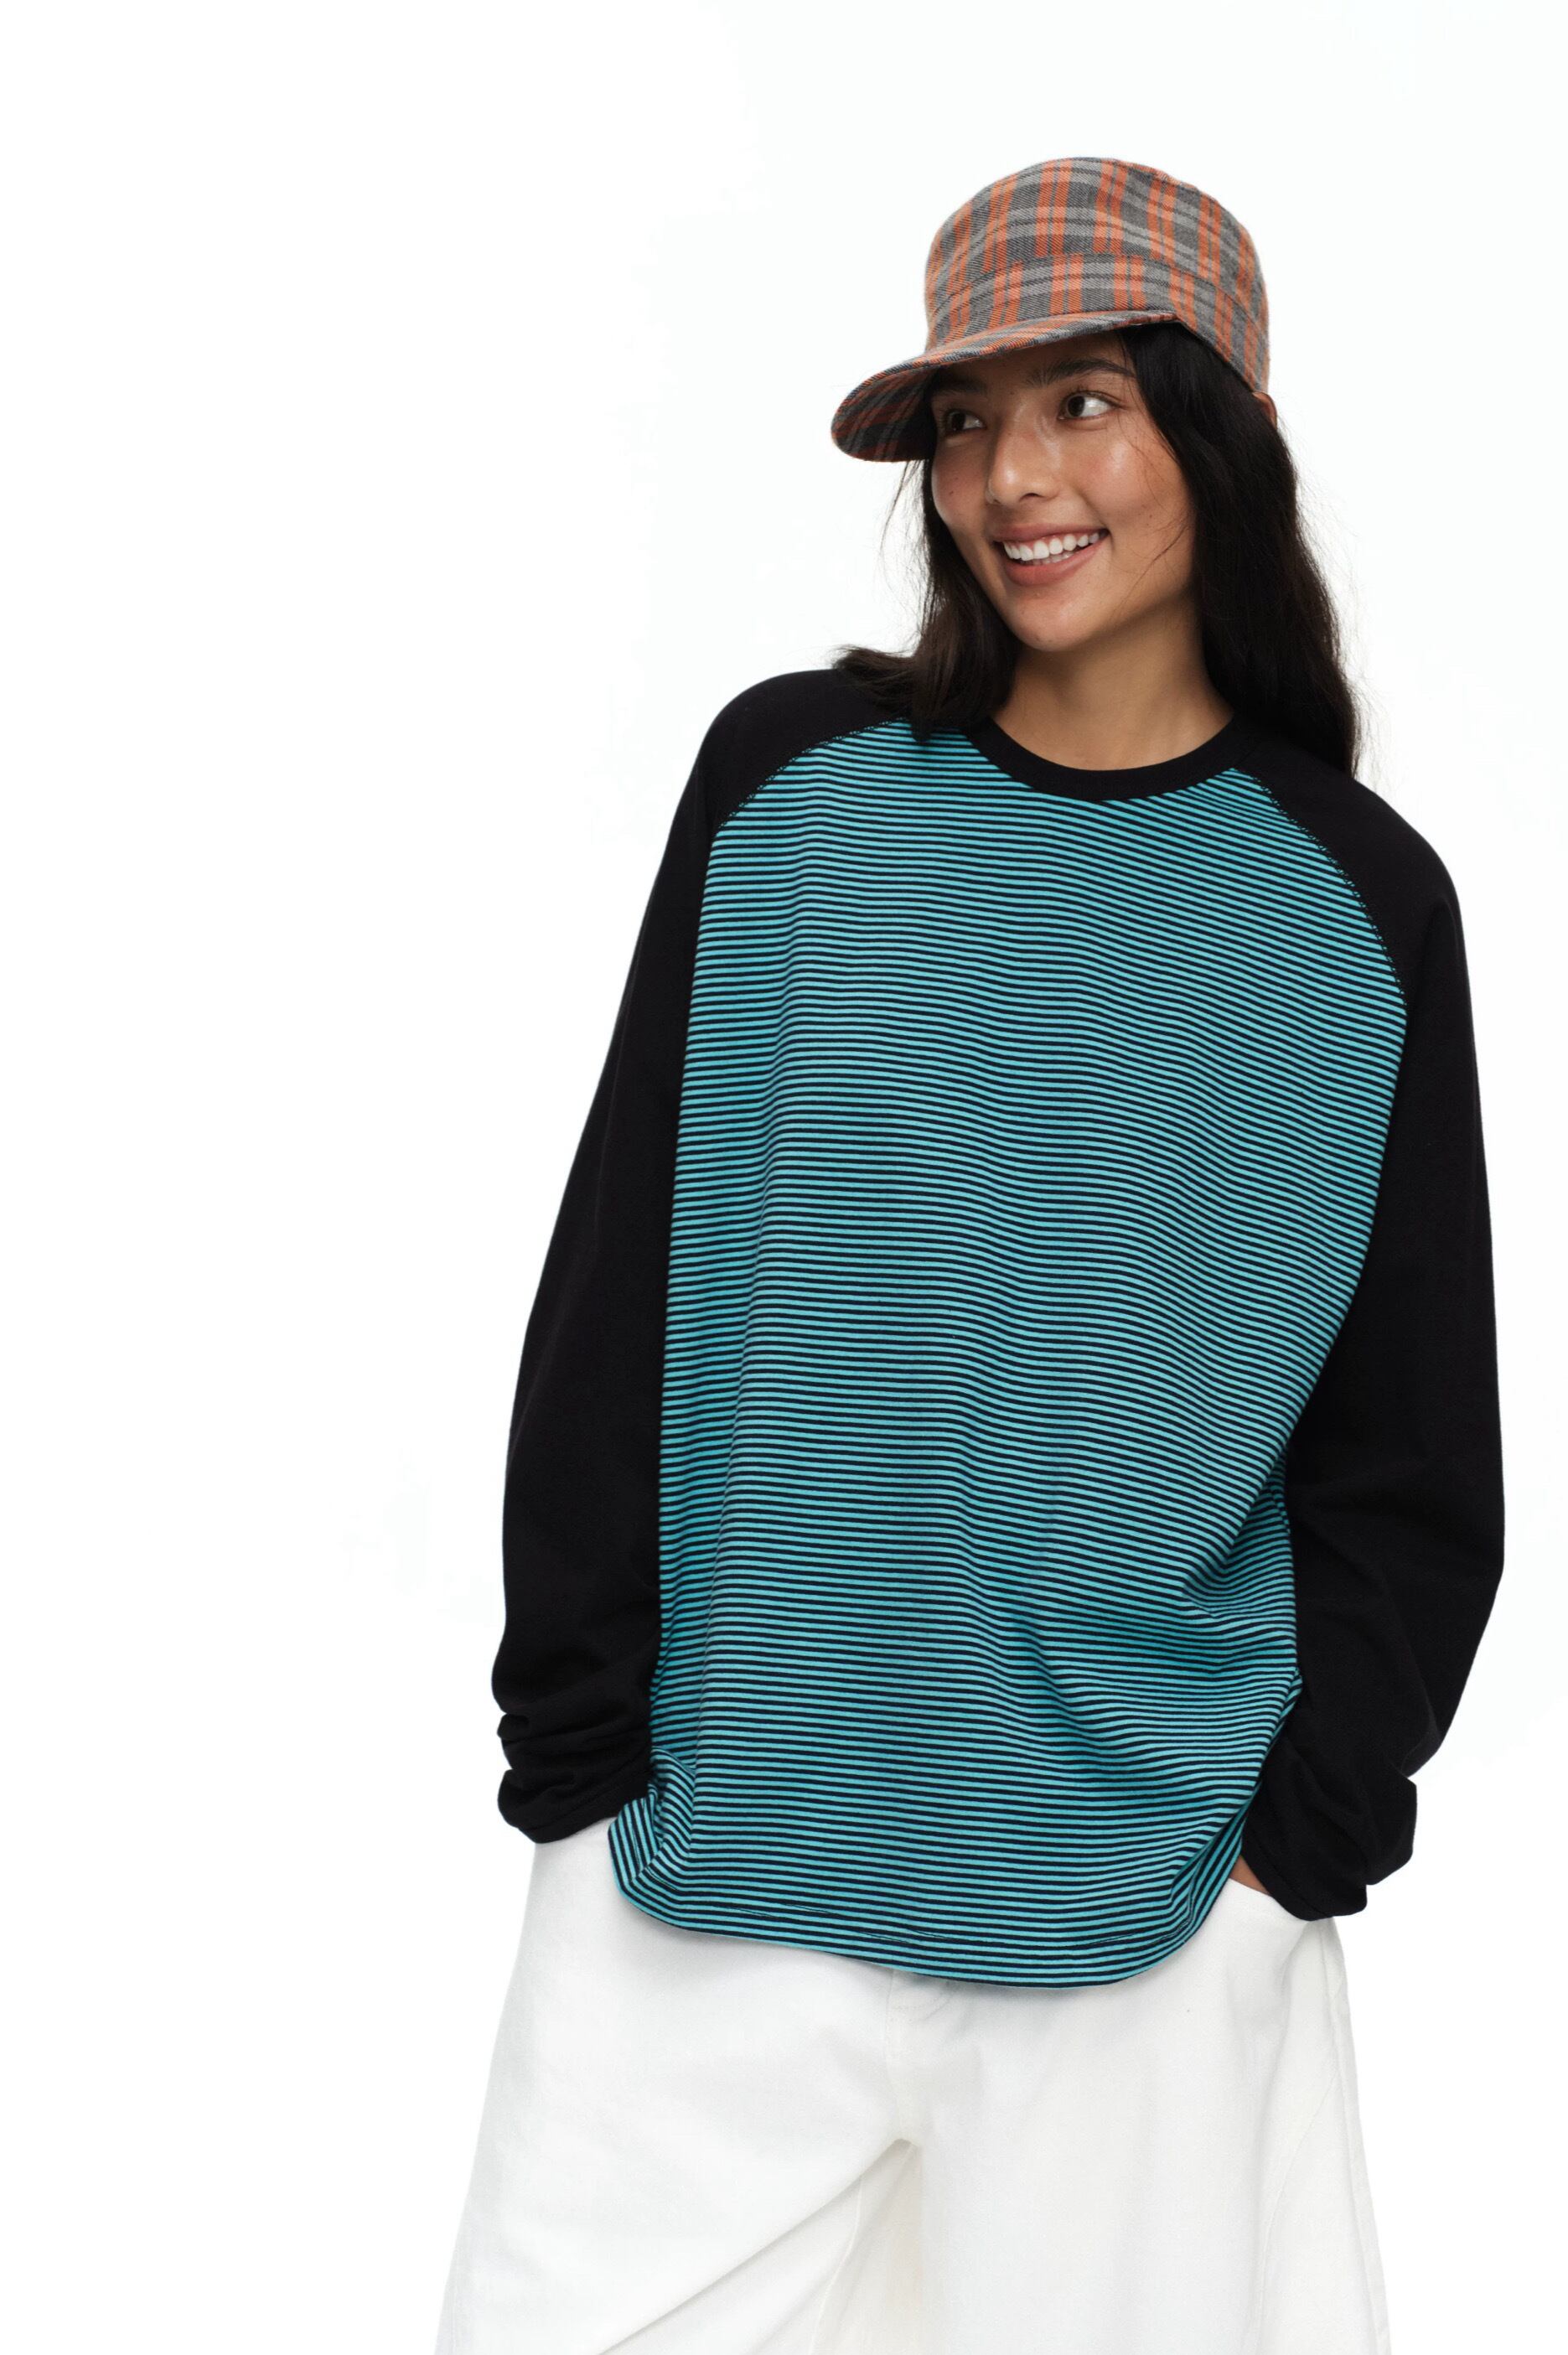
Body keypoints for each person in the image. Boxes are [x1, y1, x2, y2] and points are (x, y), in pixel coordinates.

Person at [432, 155, 1505, 2354]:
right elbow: (626, 1265)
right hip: (710, 1853)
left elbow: (1407, 1446)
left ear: (1221, 432)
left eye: (1084, 401)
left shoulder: (1353, 899)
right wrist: (578, 1742)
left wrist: (1294, 1849)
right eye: (963, 420)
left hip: (1137, 1888)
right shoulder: (791, 788)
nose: (1012, 476)